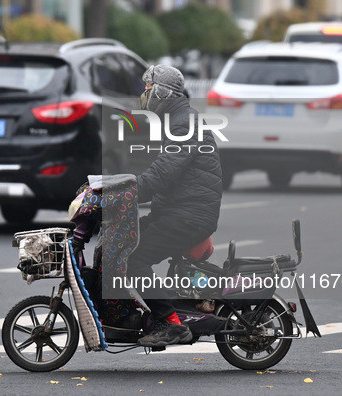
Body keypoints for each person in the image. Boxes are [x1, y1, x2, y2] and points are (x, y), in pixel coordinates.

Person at [127, 65, 223, 347]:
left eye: (147, 88)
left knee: (135, 258)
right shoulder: (176, 120)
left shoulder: (184, 123)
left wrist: (125, 193)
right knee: (124, 242)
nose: (143, 94)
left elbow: (163, 173)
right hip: (179, 212)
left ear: (161, 92)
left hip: (189, 216)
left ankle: (171, 324)